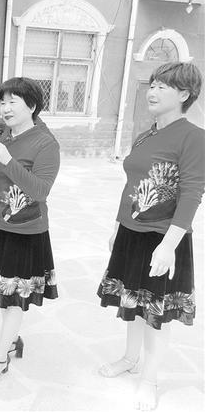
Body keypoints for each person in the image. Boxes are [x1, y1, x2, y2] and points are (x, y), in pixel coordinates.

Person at [97, 62, 204, 411]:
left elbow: (192, 194)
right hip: (132, 234)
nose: (152, 91)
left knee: (156, 313)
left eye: (162, 86)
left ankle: (150, 379)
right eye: (152, 84)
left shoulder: (194, 137)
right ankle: (130, 359)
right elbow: (131, 185)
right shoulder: (146, 134)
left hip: (163, 238)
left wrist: (169, 245)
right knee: (132, 303)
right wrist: (118, 227)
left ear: (185, 94)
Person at [0, 77, 60, 384]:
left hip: (26, 233)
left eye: (12, 102)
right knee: (2, 293)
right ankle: (11, 341)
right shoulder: (2, 136)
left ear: (31, 106)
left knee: (13, 297)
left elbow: (40, 191)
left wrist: (7, 160)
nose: (5, 108)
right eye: (2, 102)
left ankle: (0, 356)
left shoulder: (46, 144)